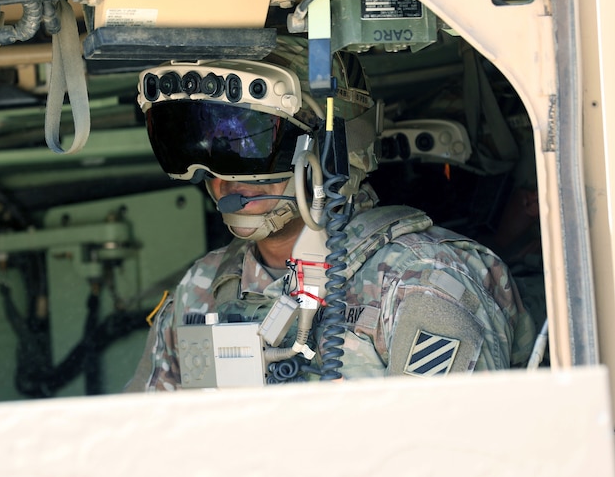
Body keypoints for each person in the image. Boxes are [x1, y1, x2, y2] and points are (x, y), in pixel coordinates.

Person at [126, 36, 536, 392]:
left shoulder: (419, 283)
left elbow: (445, 462)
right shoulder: (201, 288)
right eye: (197, 149)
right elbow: (141, 443)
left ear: (327, 148)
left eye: (245, 145)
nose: (223, 176)